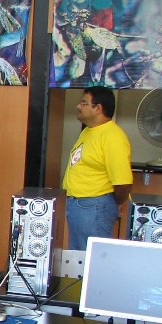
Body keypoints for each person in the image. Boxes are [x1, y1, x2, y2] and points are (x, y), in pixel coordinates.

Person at [62, 86, 132, 251]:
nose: (78, 106)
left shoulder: (112, 136)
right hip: (79, 205)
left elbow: (124, 182)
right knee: (78, 256)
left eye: (84, 103)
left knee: (91, 257)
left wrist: (110, 204)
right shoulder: (89, 131)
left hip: (94, 206)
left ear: (98, 108)